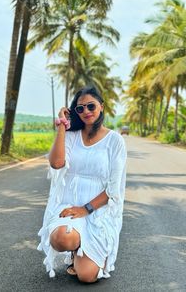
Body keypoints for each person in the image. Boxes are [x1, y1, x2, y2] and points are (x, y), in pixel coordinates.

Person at [37, 86, 127, 283]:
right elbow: (56, 163)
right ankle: (75, 247)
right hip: (69, 207)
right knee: (62, 238)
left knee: (87, 277)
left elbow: (114, 188)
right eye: (80, 108)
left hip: (98, 211)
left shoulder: (115, 141)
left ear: (101, 107)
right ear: (74, 112)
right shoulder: (71, 136)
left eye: (91, 106)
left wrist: (85, 209)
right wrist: (62, 125)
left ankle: (87, 253)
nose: (86, 111)